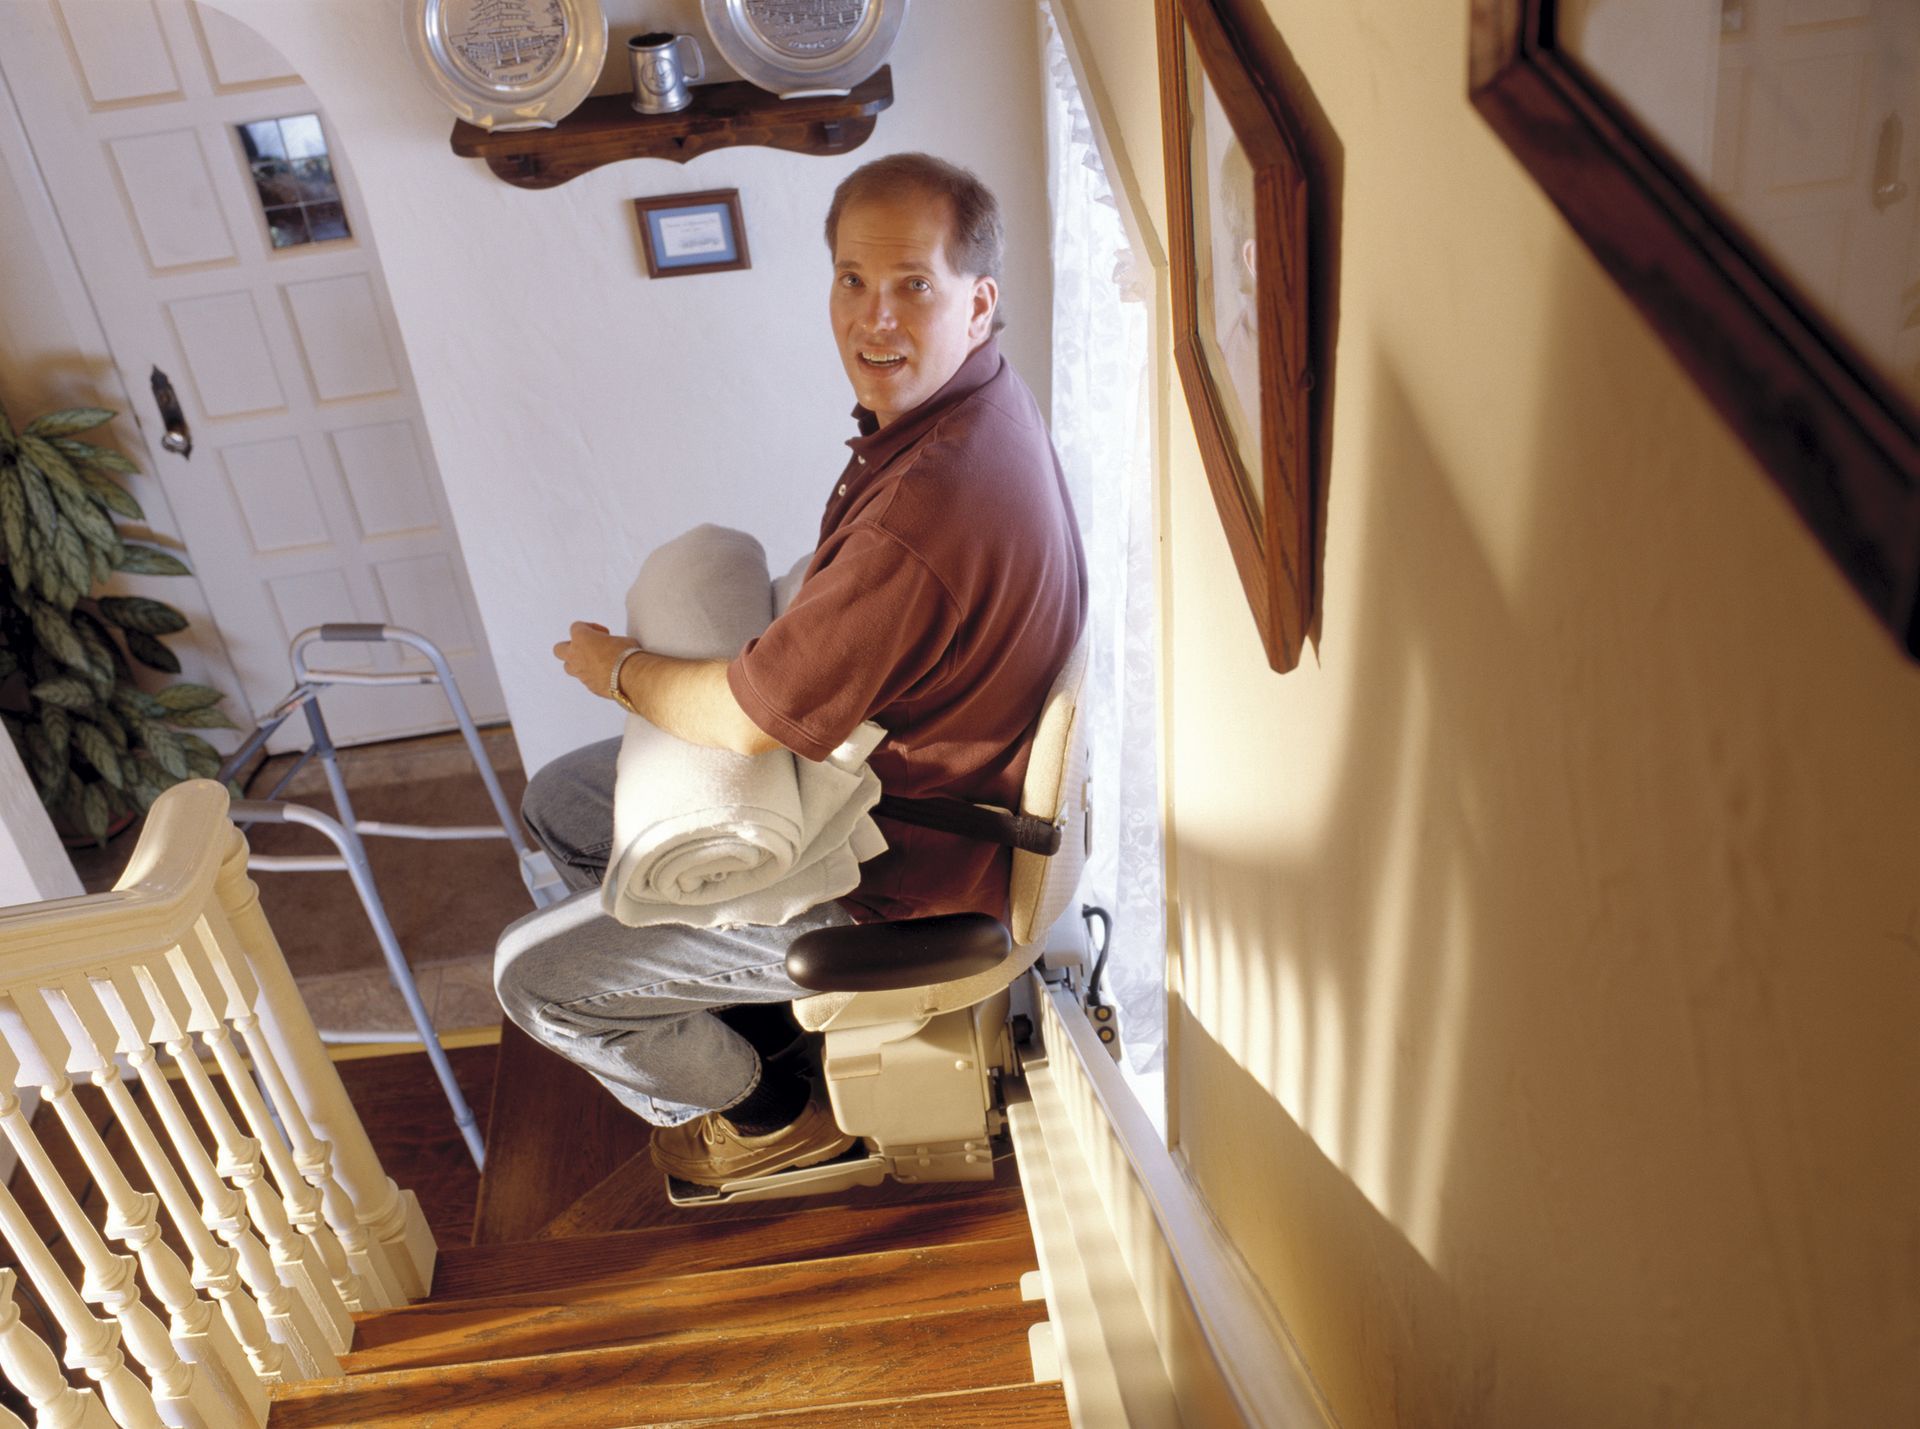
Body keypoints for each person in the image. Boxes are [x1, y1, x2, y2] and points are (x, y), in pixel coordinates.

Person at [493, 152, 1087, 1188]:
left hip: (895, 871)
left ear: (978, 301)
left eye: (914, 285)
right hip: (910, 781)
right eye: (853, 281)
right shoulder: (977, 405)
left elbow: (744, 715)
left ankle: (769, 1107)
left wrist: (617, 665)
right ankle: (742, 1007)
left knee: (539, 984)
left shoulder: (925, 515)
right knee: (566, 800)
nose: (874, 319)